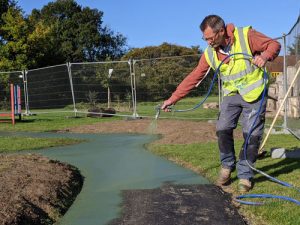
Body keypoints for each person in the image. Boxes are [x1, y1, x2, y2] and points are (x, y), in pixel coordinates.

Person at [161, 15, 281, 193]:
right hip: (232, 94)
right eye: (205, 38)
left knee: (251, 136)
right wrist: (172, 99)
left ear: (222, 31)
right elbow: (194, 77)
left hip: (255, 94)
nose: (208, 42)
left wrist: (265, 56)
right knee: (222, 128)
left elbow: (274, 45)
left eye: (210, 38)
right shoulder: (210, 53)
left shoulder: (246, 36)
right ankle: (227, 165)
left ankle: (245, 176)